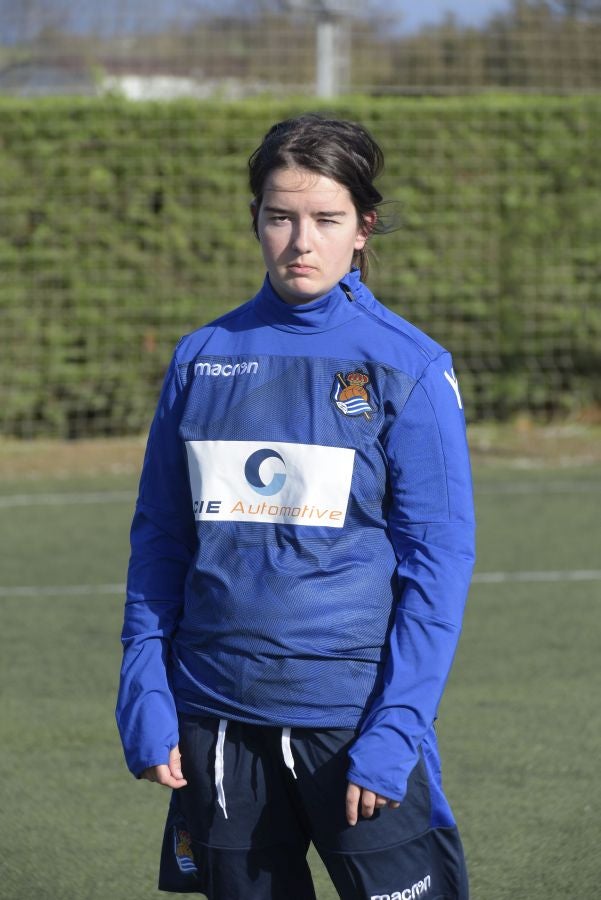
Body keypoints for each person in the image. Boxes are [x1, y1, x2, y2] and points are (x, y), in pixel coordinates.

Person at [116, 113, 476, 900]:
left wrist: (396, 728)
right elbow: (161, 540)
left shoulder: (407, 366)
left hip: (353, 722)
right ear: (254, 221)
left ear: (362, 228)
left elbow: (437, 564)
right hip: (214, 715)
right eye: (279, 217)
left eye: (325, 219)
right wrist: (143, 686)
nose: (300, 241)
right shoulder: (201, 357)